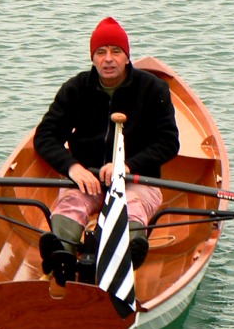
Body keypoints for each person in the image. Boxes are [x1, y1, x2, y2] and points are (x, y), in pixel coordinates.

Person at [33, 17, 180, 280]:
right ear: (93, 58)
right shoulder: (76, 89)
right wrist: (72, 168)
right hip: (88, 179)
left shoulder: (153, 89)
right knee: (70, 203)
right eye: (100, 52)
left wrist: (126, 165)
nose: (108, 59)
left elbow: (168, 142)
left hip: (137, 179)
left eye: (115, 51)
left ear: (126, 57)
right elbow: (45, 136)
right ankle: (61, 257)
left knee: (131, 205)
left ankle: (129, 253)